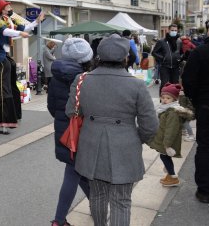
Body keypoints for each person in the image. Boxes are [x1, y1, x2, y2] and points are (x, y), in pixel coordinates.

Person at [65, 34, 158, 226]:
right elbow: (150, 125)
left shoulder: (82, 79)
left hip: (91, 144)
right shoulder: (137, 85)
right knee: (121, 200)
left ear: (98, 56)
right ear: (125, 58)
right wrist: (135, 138)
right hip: (125, 146)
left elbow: (70, 112)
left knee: (97, 195)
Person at [47, 38, 92, 226]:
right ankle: (58, 220)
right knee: (74, 171)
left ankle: (95, 204)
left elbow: (51, 106)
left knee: (77, 170)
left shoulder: (55, 76)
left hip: (63, 129)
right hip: (81, 130)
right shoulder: (85, 78)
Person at [182, 17, 209, 203]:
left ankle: (204, 191)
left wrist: (197, 101)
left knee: (206, 148)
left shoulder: (200, 52)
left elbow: (189, 81)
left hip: (208, 106)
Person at [0, 0, 44, 135]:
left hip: (4, 53)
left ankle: (13, 116)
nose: (10, 7)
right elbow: (6, 32)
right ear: (2, 10)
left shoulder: (11, 20)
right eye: (8, 6)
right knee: (3, 88)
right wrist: (20, 34)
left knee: (11, 70)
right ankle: (2, 123)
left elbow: (25, 28)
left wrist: (37, 21)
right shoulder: (0, 21)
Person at [147, 83, 193, 187]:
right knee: (164, 157)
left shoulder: (172, 112)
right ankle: (169, 174)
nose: (164, 100)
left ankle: (173, 177)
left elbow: (171, 129)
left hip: (168, 141)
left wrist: (167, 144)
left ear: (174, 99)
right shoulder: (166, 109)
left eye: (168, 98)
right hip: (164, 138)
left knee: (165, 157)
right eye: (163, 97)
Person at [152, 24, 183, 94]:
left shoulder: (179, 41)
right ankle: (162, 100)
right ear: (168, 30)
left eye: (175, 30)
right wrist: (162, 58)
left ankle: (174, 101)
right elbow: (154, 52)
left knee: (175, 85)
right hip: (165, 66)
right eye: (172, 30)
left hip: (175, 67)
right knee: (165, 85)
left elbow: (181, 52)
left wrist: (180, 58)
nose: (174, 32)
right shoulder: (162, 41)